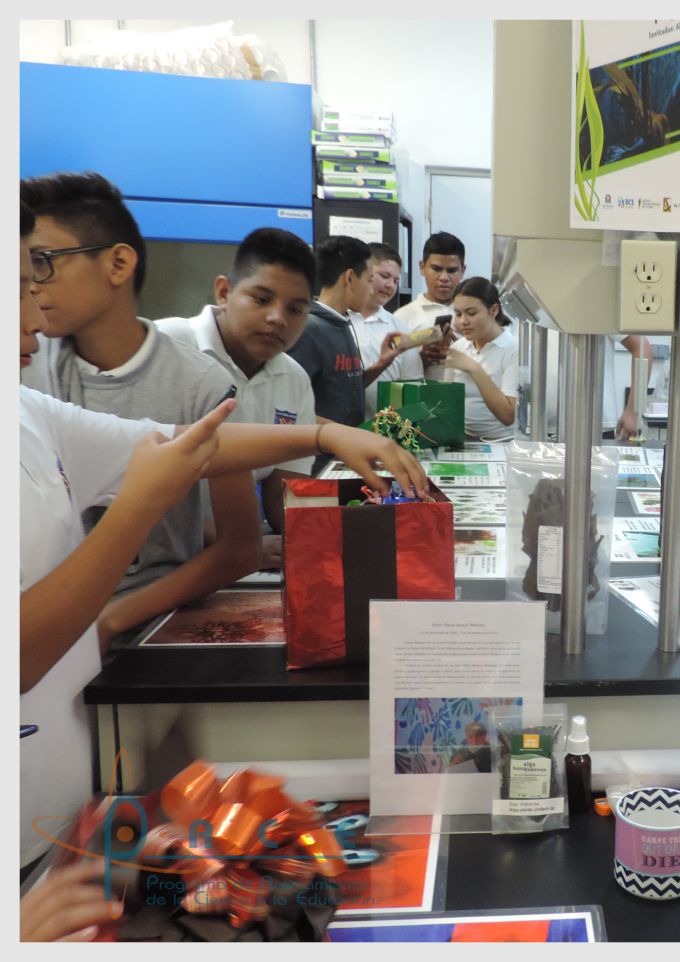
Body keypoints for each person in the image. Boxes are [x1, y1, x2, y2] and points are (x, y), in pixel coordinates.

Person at [19, 200, 427, 878]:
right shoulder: (43, 377)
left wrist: (325, 434)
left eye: (40, 275)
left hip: (59, 800)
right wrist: (135, 517)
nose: (36, 310)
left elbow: (185, 445)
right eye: (24, 282)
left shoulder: (30, 409)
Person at [20, 171, 261, 642]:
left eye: (43, 264)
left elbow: (239, 547)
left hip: (150, 631)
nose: (34, 290)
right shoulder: (28, 374)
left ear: (118, 263)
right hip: (40, 632)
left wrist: (112, 620)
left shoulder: (201, 383)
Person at [155, 227, 318, 555]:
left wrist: (319, 537)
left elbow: (285, 495)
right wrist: (235, 543)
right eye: (262, 299)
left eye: (295, 309)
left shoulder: (293, 379)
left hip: (235, 561)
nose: (278, 318)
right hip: (146, 561)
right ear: (224, 291)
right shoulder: (165, 347)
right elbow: (123, 480)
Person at [286, 235, 369, 432]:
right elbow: (288, 406)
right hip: (316, 449)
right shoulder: (308, 329)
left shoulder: (342, 323)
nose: (370, 289)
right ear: (350, 278)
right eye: (369, 279)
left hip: (343, 447)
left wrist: (384, 362)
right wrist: (341, 434)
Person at [352, 242, 428, 420]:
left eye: (396, 281)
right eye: (384, 276)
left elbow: (413, 387)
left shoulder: (400, 329)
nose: (390, 286)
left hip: (383, 427)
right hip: (335, 426)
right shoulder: (339, 320)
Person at [444, 277, 519, 439]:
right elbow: (447, 404)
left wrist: (474, 369)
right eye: (458, 314)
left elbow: (508, 416)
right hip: (461, 440)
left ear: (494, 310)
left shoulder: (515, 350)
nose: (463, 321)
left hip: (501, 442)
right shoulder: (458, 348)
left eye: (471, 313)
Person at [393, 231, 466, 380]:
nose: (444, 278)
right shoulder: (402, 317)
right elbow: (390, 371)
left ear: (463, 270)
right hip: (422, 393)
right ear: (422, 267)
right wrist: (421, 360)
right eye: (437, 269)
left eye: (452, 270)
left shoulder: (476, 315)